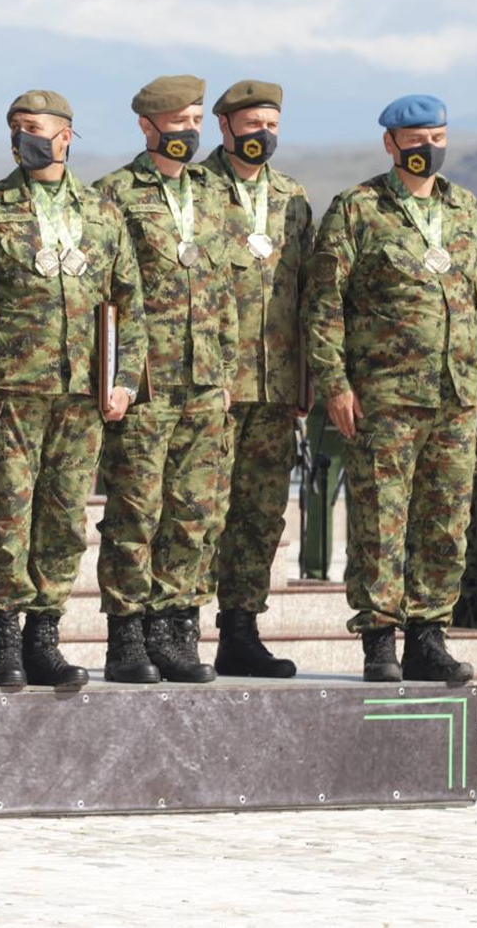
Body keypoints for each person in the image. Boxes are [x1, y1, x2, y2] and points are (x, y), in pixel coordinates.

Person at [303, 94, 477, 686]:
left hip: (455, 397)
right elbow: (324, 304)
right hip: (384, 398)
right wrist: (334, 384)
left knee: (446, 521)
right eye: (415, 139)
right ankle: (379, 641)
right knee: (381, 521)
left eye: (437, 137)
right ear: (390, 143)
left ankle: (428, 637)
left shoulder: (465, 208)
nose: (428, 149)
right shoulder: (358, 209)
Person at [0, 90, 146, 689]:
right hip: (12, 391)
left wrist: (124, 381)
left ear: (65, 136)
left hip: (81, 394)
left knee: (66, 519)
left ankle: (43, 637)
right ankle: (4, 640)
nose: (24, 137)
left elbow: (129, 304)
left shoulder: (101, 212)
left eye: (35, 127)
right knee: (8, 516)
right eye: (16, 127)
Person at [94, 75, 238, 683]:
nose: (190, 131)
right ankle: (126, 636)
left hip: (204, 381)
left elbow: (225, 289)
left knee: (194, 512)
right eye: (179, 121)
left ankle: (176, 630)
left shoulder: (211, 193)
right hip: (145, 383)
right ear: (147, 126)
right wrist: (115, 375)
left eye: (197, 120)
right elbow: (105, 295)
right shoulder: (115, 194)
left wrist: (226, 371)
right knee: (136, 511)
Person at [202, 79, 310, 678]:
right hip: (212, 383)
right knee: (199, 511)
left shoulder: (293, 198)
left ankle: (240, 630)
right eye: (251, 125)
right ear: (224, 126)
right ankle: (174, 628)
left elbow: (307, 292)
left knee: (260, 515)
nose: (261, 136)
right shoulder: (198, 191)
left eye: (271, 125)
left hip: (275, 385)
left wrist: (309, 376)